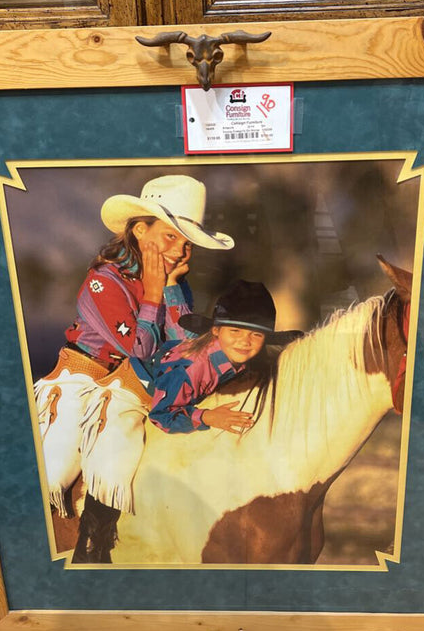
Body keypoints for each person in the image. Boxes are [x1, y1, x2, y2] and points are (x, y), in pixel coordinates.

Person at [35, 174, 234, 522]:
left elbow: (185, 347)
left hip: (135, 384)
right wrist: (156, 292)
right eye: (171, 236)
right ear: (140, 229)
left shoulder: (176, 284)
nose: (180, 251)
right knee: (56, 469)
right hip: (81, 379)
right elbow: (139, 347)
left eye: (188, 244)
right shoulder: (103, 281)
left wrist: (170, 288)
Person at [72, 279, 302, 563]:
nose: (245, 341)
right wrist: (206, 416)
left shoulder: (232, 355)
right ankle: (93, 541)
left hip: (166, 387)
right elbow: (162, 413)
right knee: (119, 455)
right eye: (236, 331)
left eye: (256, 335)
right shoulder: (194, 367)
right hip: (133, 391)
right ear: (216, 331)